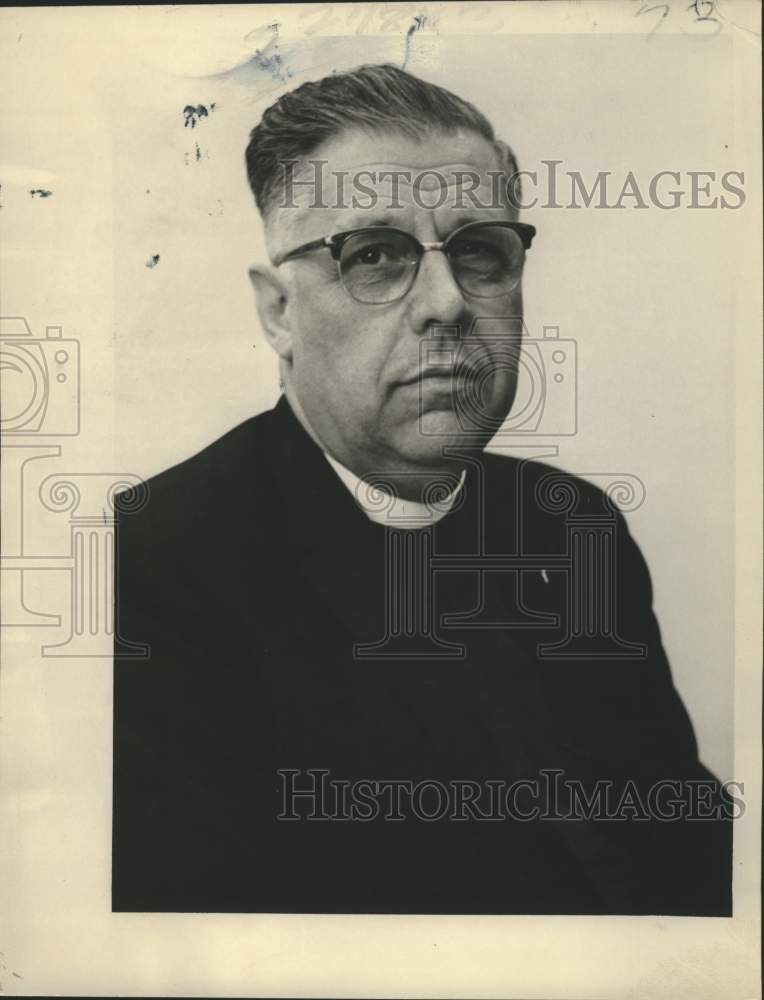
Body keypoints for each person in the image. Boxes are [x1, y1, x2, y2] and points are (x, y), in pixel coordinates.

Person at [112, 64, 732, 915]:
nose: (447, 303)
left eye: (479, 252)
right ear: (278, 315)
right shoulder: (154, 567)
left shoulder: (572, 526)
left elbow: (689, 854)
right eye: (374, 255)